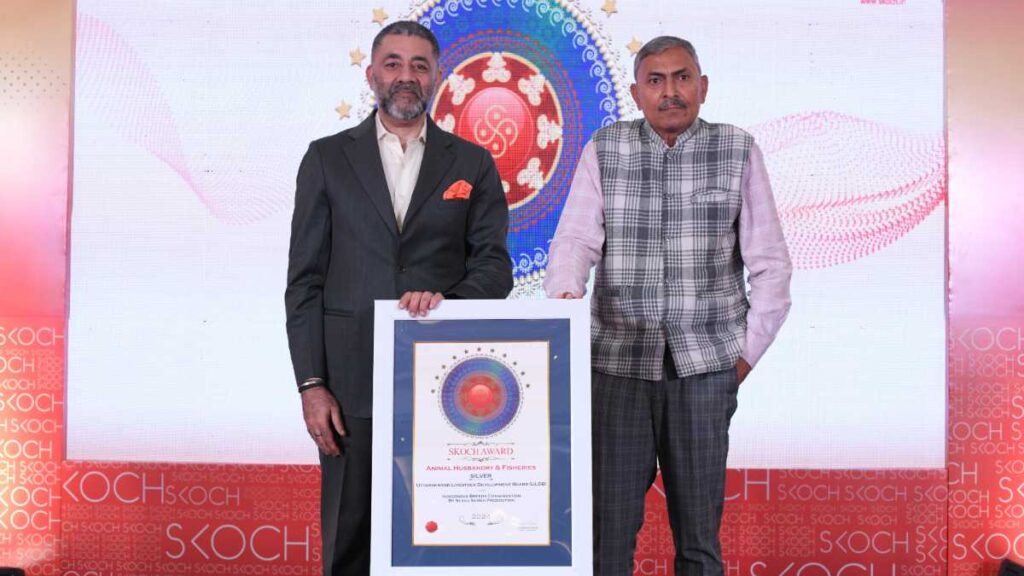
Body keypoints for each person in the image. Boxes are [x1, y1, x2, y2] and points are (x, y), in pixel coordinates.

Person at [544, 36, 792, 575]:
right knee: (605, 539)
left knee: (699, 542)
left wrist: (742, 359)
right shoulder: (604, 148)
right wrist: (564, 305)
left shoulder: (737, 149)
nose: (670, 92)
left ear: (703, 87)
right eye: (655, 81)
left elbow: (771, 264)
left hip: (705, 372)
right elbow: (574, 243)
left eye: (682, 78)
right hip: (615, 369)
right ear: (637, 93)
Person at [285, 21, 513, 576]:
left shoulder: (472, 163)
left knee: (439, 543)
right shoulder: (326, 158)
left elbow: (495, 269)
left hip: (447, 384)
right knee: (349, 543)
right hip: (349, 384)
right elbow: (304, 282)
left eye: (419, 65)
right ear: (371, 75)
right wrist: (312, 385)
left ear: (437, 77)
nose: (405, 76)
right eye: (393, 63)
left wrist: (446, 302)